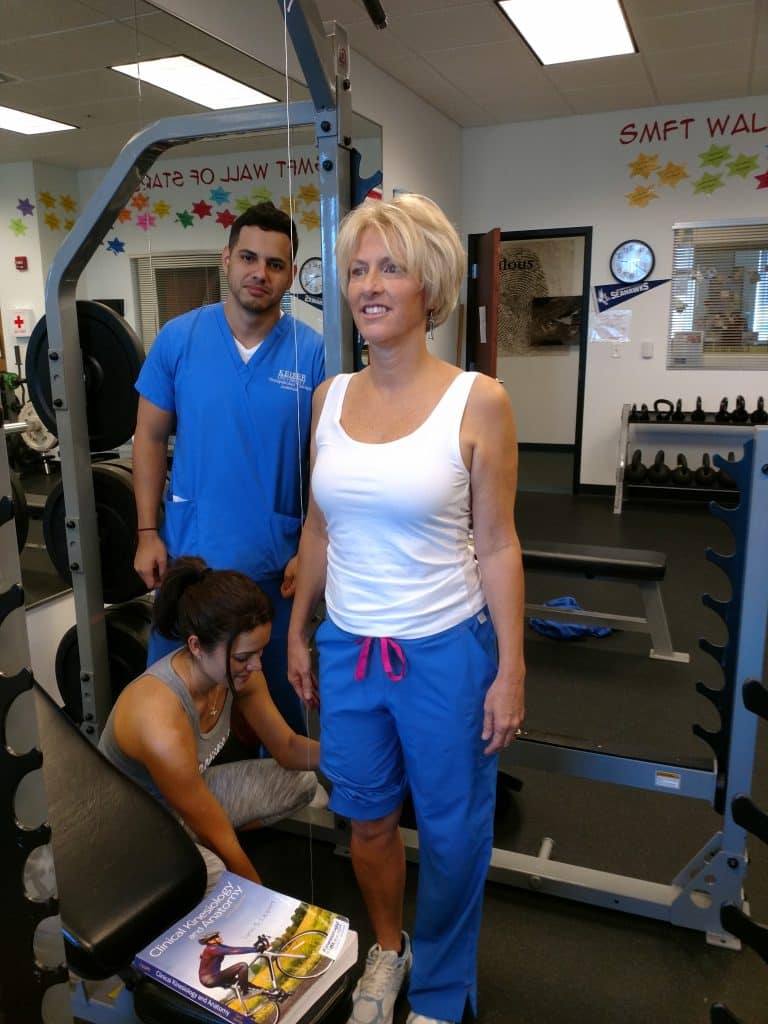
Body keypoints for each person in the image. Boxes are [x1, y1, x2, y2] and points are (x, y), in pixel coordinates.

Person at [286, 194, 526, 1024]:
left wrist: (512, 670)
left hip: (447, 653)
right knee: (367, 823)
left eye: (390, 267)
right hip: (351, 649)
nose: (369, 285)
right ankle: (388, 949)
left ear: (430, 284)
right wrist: (298, 629)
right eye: (357, 269)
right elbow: (318, 525)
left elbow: (497, 545)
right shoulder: (327, 398)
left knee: (456, 840)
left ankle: (440, 988)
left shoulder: (479, 402)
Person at [132, 201, 325, 737]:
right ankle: (168, 810)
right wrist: (147, 531)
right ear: (226, 258)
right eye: (248, 257)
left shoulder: (312, 354)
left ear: (291, 275)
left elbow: (327, 463)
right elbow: (147, 437)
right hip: (190, 563)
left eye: (275, 263)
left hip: (273, 564)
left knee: (282, 703)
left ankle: (280, 800)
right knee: (169, 703)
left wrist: (311, 546)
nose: (259, 273)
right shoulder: (179, 338)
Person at [99, 556, 319, 892]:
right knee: (213, 870)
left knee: (302, 781)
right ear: (196, 646)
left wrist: (352, 756)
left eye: (259, 652)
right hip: (134, 830)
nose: (256, 666)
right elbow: (219, 837)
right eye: (243, 657)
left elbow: (288, 748)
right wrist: (271, 910)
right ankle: (175, 865)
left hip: (188, 802)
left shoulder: (239, 675)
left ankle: (191, 850)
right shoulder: (158, 717)